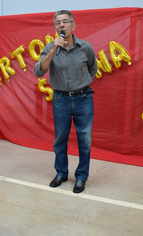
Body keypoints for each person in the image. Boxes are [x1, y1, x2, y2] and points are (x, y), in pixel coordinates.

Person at [34, 10, 97, 193]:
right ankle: (61, 173)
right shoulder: (49, 48)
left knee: (84, 139)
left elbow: (92, 69)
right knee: (60, 138)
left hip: (83, 98)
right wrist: (54, 49)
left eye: (65, 22)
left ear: (73, 25)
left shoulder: (85, 47)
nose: (62, 25)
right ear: (55, 28)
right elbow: (39, 71)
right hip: (60, 99)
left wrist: (81, 86)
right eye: (58, 23)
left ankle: (81, 177)